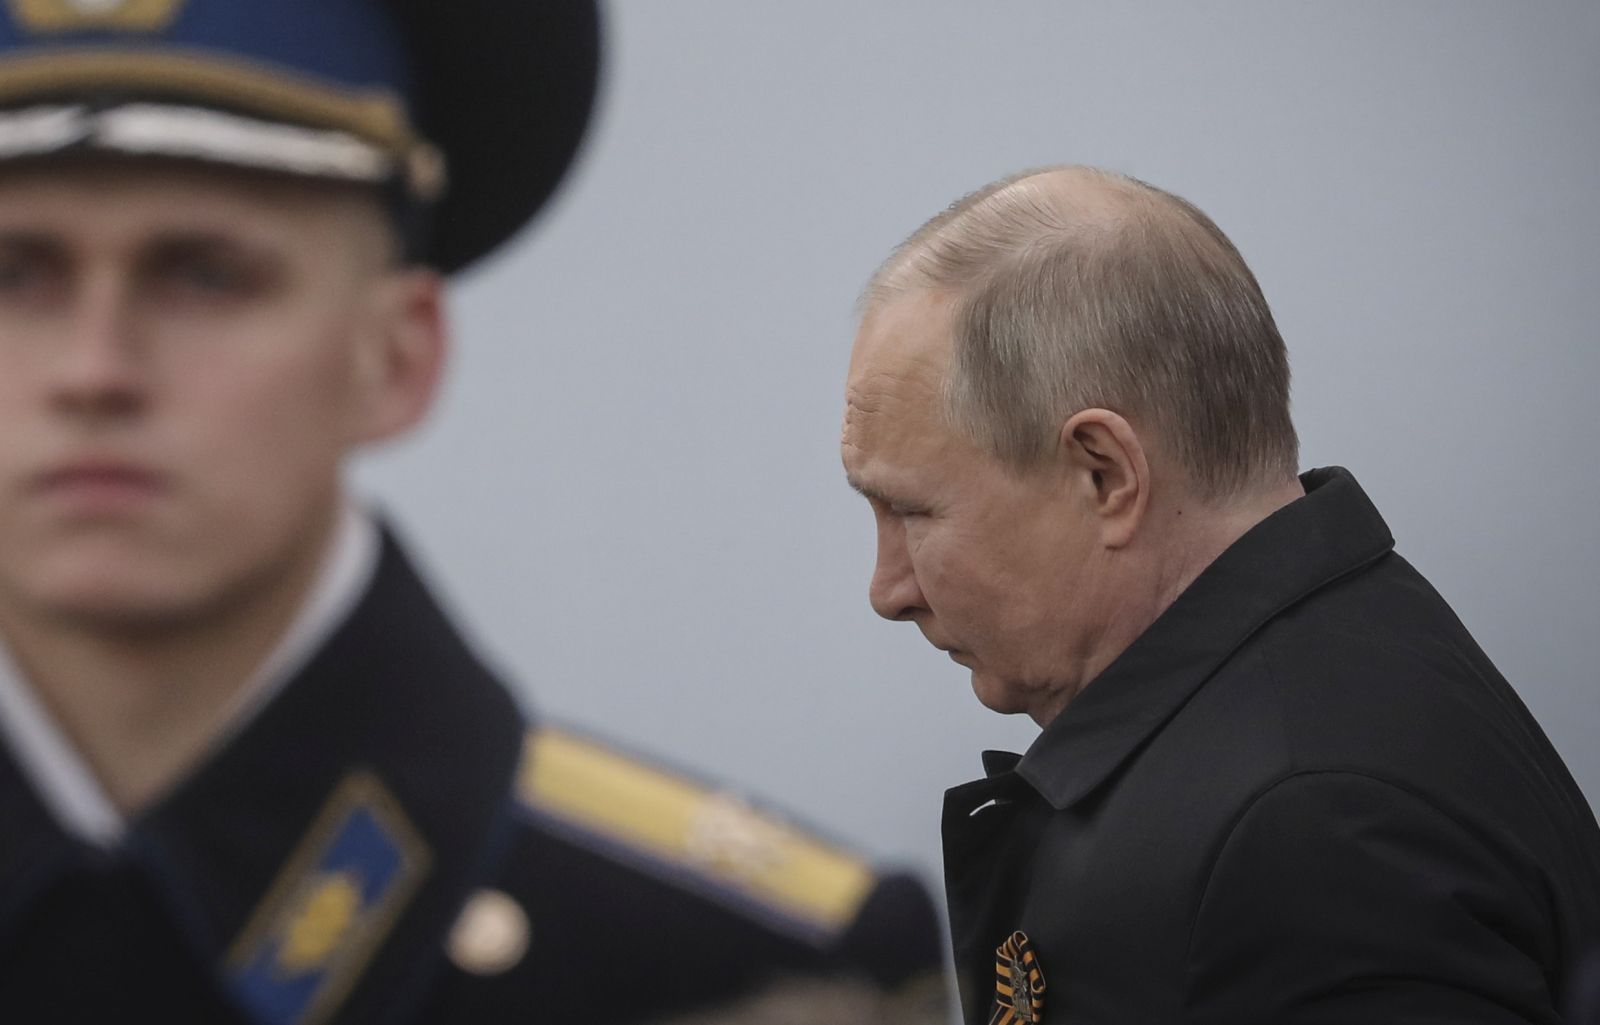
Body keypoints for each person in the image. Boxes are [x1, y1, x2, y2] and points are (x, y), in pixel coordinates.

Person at [0, 2, 949, 1022]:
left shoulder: (740, 971)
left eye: (206, 275)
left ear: (398, 357)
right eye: (13, 273)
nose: (94, 370)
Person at [841, 164, 1600, 1024]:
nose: (888, 589)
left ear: (1105, 475)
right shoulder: (1333, 672)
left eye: (912, 510)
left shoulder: (1309, 833)